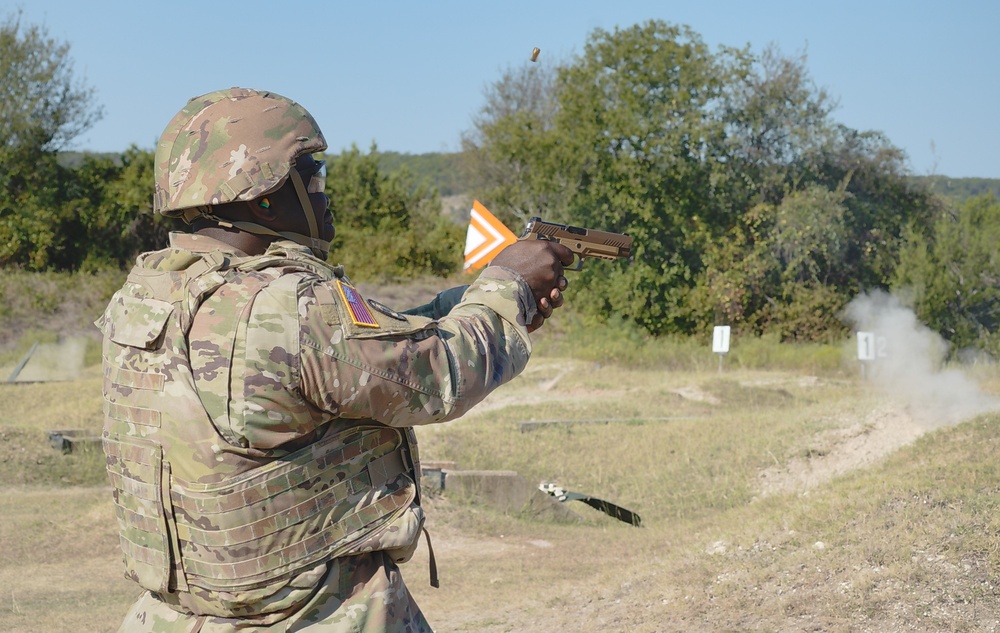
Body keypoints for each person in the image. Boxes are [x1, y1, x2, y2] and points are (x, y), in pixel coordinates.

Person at [96, 86, 572, 632]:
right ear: (266, 195)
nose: (324, 194)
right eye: (313, 177)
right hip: (312, 613)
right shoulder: (292, 306)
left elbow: (358, 355)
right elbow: (442, 374)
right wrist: (509, 283)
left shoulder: (149, 296)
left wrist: (470, 301)